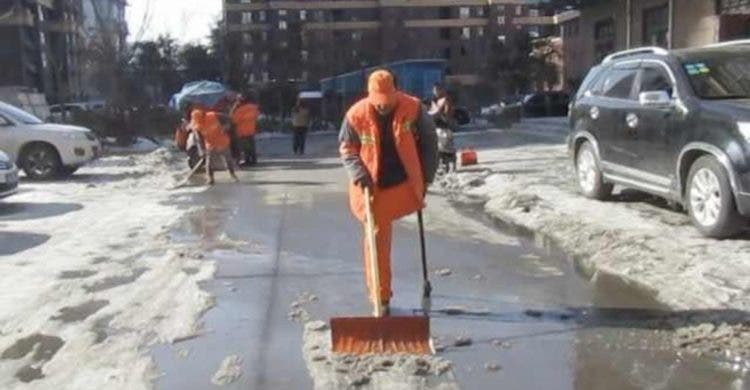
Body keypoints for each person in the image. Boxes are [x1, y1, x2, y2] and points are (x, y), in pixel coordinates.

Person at [339, 69, 438, 315]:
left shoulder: (413, 109)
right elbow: (347, 149)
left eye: (387, 101)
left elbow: (429, 143)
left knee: (379, 233)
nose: (383, 107)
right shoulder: (356, 114)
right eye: (378, 102)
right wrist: (358, 173)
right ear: (370, 95)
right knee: (375, 239)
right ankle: (380, 299)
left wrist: (426, 177)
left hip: (405, 184)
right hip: (372, 187)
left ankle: (382, 296)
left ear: (396, 91)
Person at [190, 108, 239, 185]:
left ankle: (233, 175)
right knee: (209, 163)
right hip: (210, 144)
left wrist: (226, 126)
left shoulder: (213, 116)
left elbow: (229, 119)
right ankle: (210, 178)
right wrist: (201, 150)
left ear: (203, 116)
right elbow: (199, 139)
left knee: (228, 159)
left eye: (199, 119)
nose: (199, 121)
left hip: (222, 141)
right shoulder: (197, 125)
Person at [429, 83, 457, 173]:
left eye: (437, 90)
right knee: (439, 149)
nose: (435, 92)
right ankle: (444, 166)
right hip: (438, 127)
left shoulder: (446, 100)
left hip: (445, 128)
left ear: (442, 90)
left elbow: (448, 114)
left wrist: (439, 114)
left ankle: (450, 166)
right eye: (434, 90)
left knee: (446, 148)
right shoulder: (435, 101)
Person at [231, 95, 260, 166]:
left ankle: (248, 160)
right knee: (251, 145)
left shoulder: (239, 110)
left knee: (245, 147)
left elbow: (234, 120)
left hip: (242, 131)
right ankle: (253, 160)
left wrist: (233, 108)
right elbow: (257, 116)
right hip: (251, 129)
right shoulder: (253, 108)